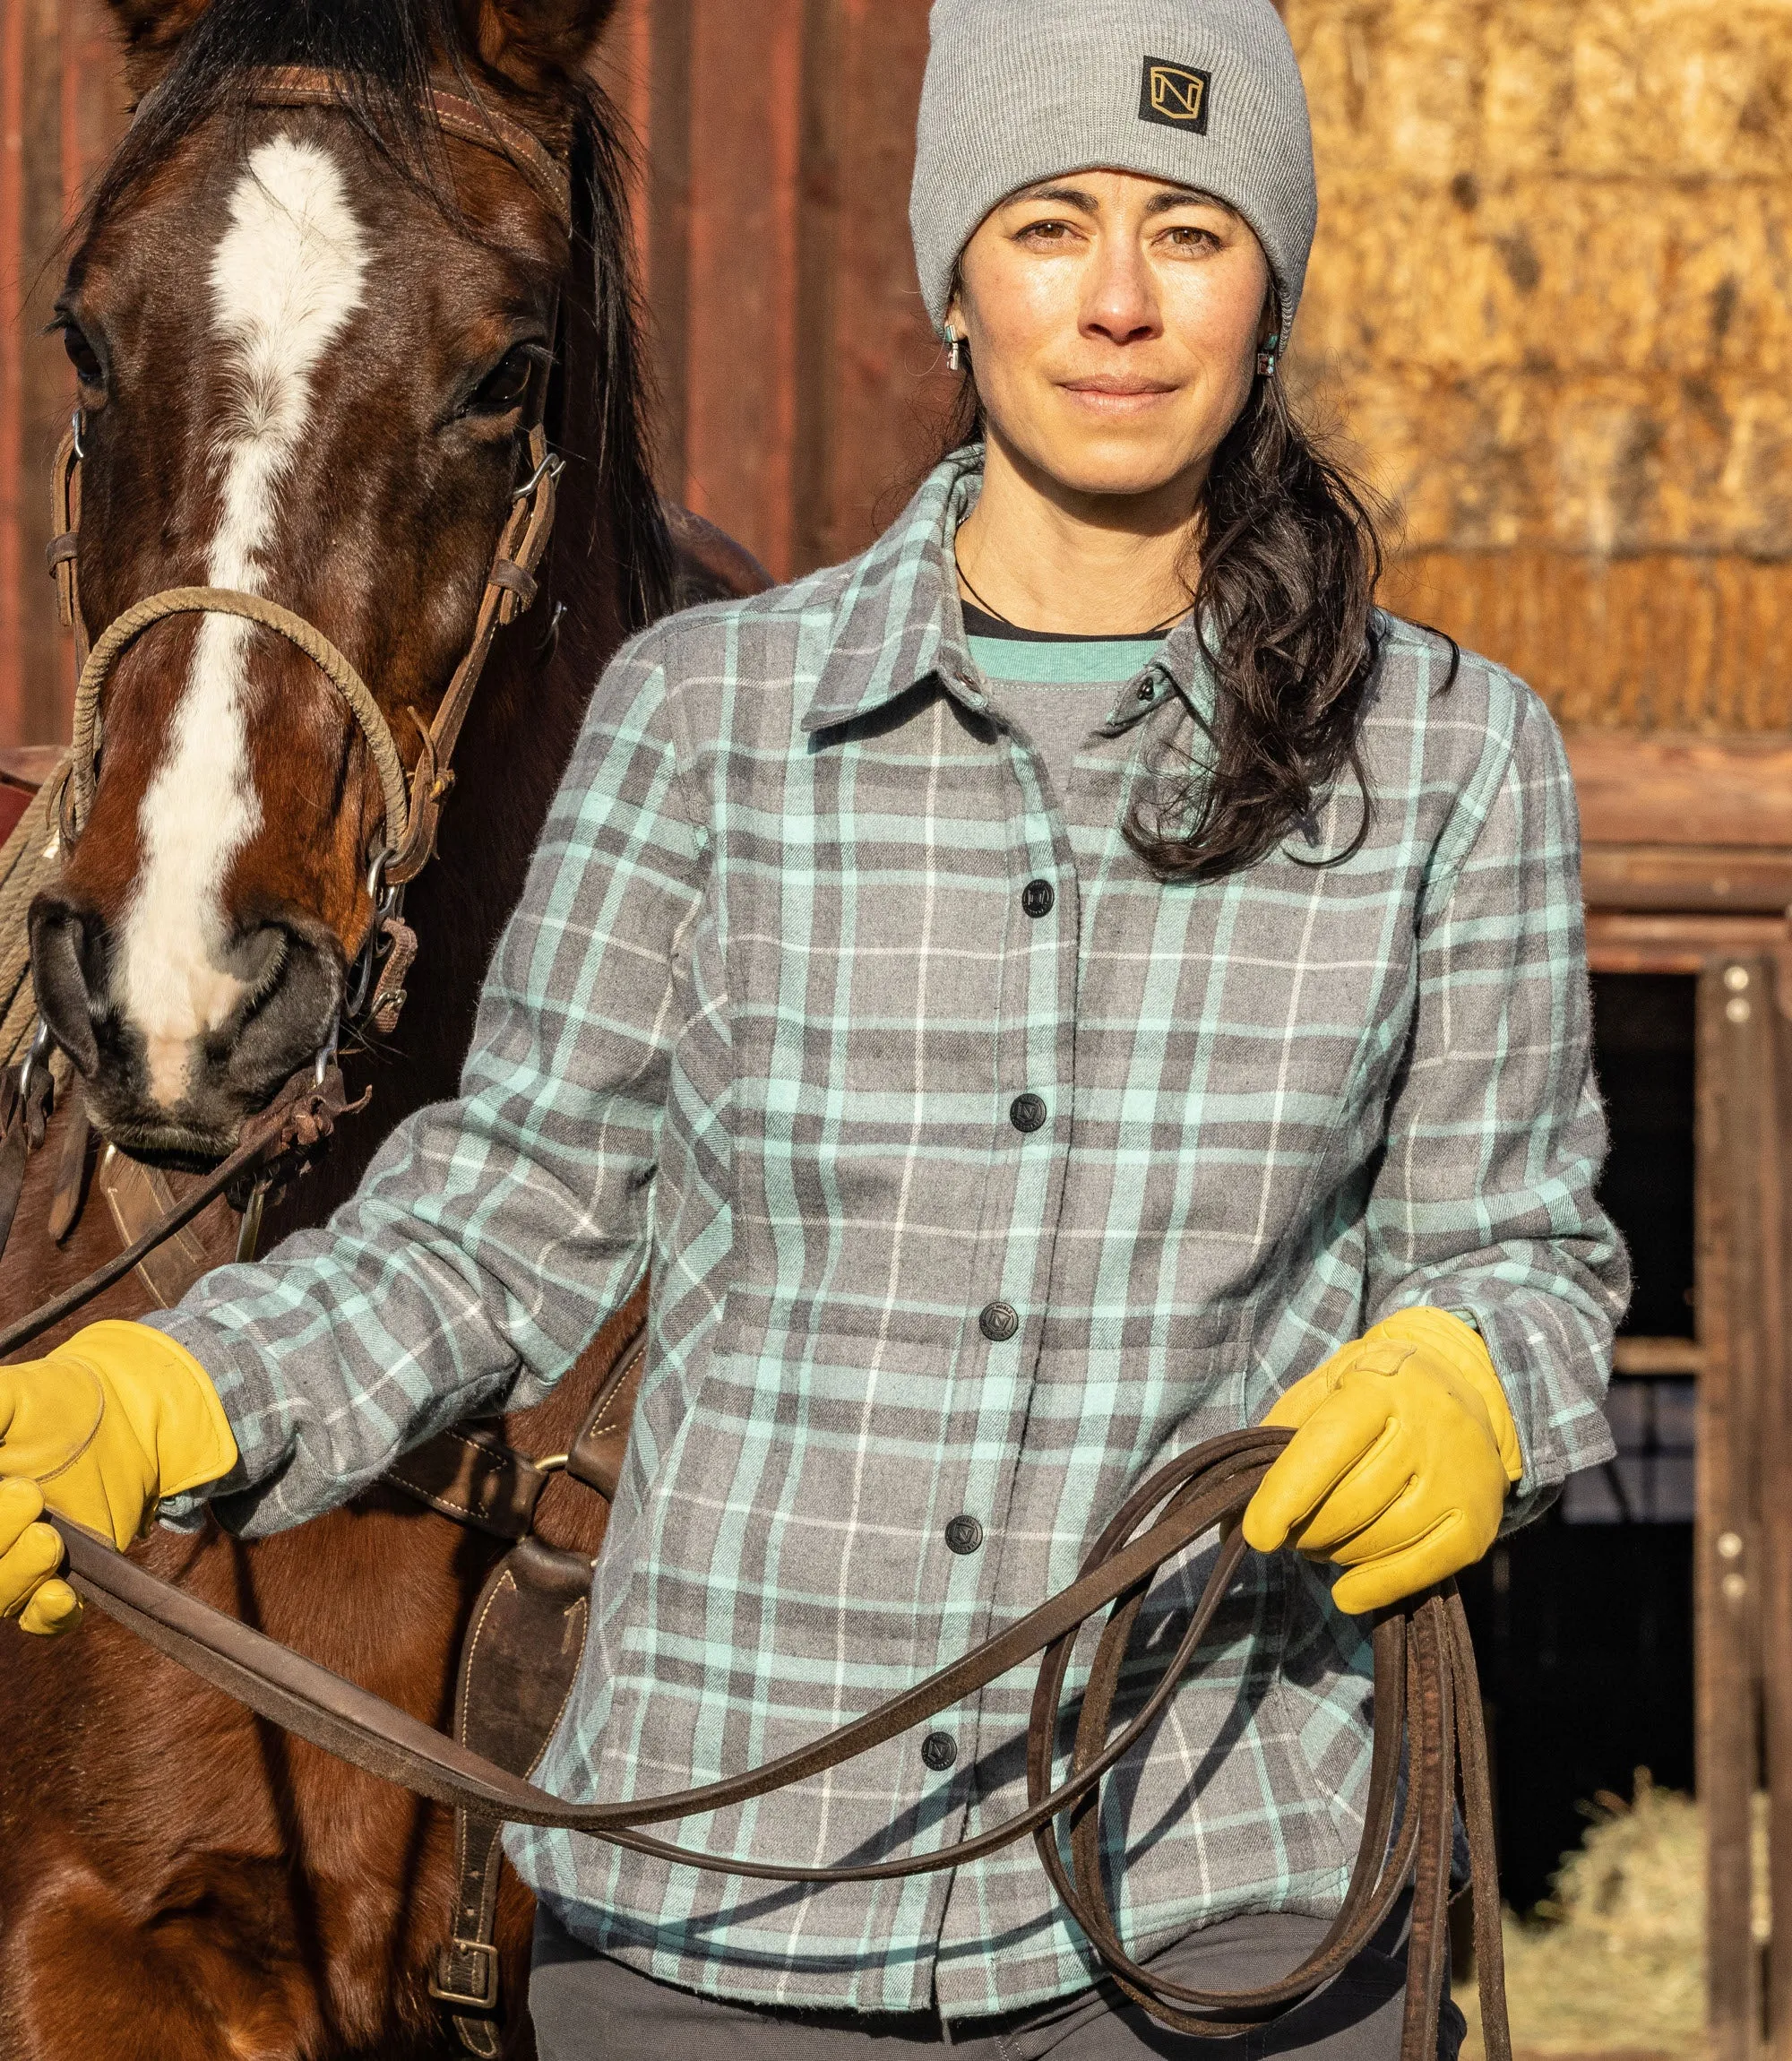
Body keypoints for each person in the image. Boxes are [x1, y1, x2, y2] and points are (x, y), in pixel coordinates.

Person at [0, 0, 1626, 2053]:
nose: (1116, 302)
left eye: (1189, 233)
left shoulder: (1457, 762)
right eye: (1047, 223)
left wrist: (1480, 1376)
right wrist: (175, 1395)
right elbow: (503, 1225)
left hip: (1211, 1909)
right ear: (954, 276)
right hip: (713, 1943)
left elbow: (1529, 1260)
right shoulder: (702, 721)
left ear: (1269, 283)